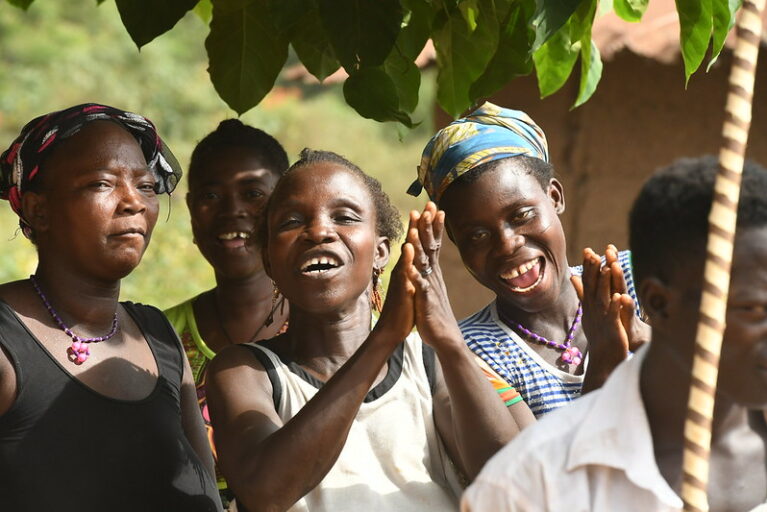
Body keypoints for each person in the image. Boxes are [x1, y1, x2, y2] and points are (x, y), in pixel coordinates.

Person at [206, 149, 532, 512]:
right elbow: (265, 493)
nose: (318, 231)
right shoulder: (245, 371)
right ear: (269, 260)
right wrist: (384, 338)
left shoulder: (426, 365)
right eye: (291, 222)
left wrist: (449, 342)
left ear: (380, 253)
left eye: (344, 217)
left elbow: (512, 486)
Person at [461, 156, 767, 511]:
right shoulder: (527, 483)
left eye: (521, 215)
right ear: (659, 303)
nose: (507, 244)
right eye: (752, 310)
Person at [0, 104, 221, 511]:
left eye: (147, 186)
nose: (133, 202)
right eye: (103, 184)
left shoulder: (159, 338)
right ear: (38, 210)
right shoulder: (6, 340)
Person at [407, 102, 649, 416]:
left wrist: (645, 338)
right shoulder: (474, 353)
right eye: (477, 235)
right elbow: (543, 463)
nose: (507, 245)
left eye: (521, 215)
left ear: (555, 197)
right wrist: (603, 360)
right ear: (455, 242)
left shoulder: (636, 279)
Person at [164, 119, 290, 506]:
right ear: (190, 211)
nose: (232, 211)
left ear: (286, 203)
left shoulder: (332, 330)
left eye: (252, 193)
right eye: (211, 196)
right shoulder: (158, 338)